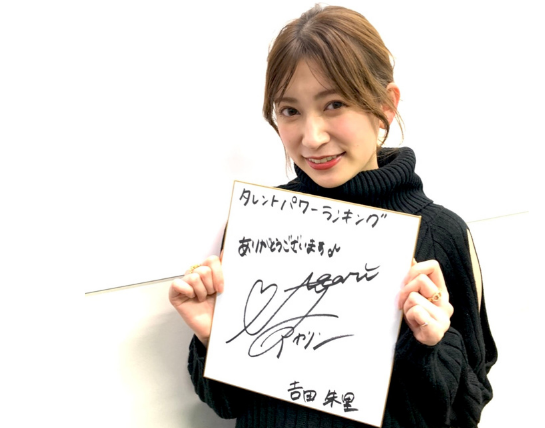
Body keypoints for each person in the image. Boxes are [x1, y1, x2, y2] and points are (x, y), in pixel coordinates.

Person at [169, 4, 497, 427]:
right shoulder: (258, 226)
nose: (312, 137)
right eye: (290, 111)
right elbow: (226, 405)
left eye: (335, 104)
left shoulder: (441, 234)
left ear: (385, 105)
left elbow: (467, 408)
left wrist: (432, 346)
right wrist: (213, 338)